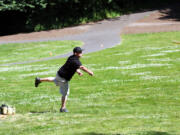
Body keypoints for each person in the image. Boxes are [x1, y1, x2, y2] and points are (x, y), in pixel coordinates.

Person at [34, 47, 94, 112]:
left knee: (54, 80)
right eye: (80, 52)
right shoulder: (76, 60)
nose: (81, 53)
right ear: (75, 53)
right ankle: (63, 108)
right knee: (65, 93)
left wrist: (78, 71)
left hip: (59, 74)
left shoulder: (71, 57)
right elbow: (82, 67)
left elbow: (73, 66)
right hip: (63, 78)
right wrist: (89, 72)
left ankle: (39, 80)